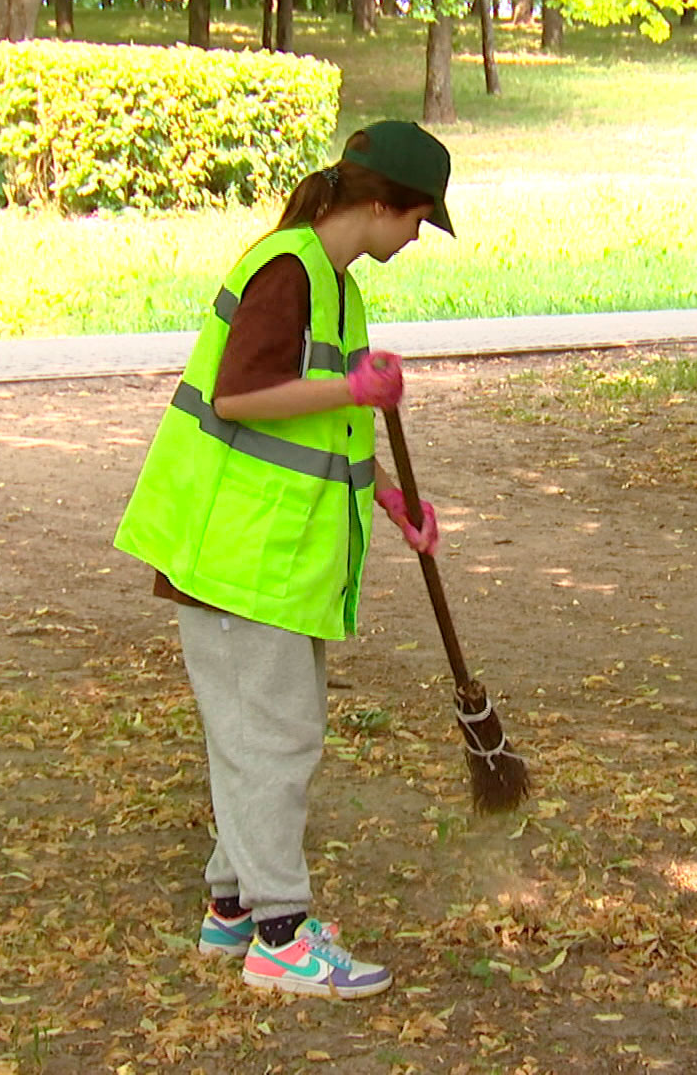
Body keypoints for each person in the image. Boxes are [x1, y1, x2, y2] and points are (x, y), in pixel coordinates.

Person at [113, 121, 454, 1000]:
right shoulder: (287, 270)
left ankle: (232, 908)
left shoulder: (336, 285)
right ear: (380, 205)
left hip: (272, 560)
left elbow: (319, 424)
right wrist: (354, 387)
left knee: (260, 735)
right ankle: (280, 933)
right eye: (418, 219)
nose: (416, 238)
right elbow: (240, 394)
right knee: (272, 740)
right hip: (232, 558)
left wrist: (388, 494)